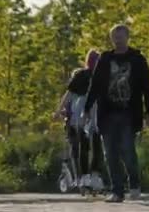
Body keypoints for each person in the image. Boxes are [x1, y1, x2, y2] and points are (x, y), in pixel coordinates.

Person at [83, 24, 149, 203]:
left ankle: (135, 184)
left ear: (127, 37)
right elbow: (96, 84)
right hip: (107, 113)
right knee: (110, 153)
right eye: (115, 36)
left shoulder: (137, 59)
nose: (118, 39)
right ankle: (117, 191)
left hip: (129, 113)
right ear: (111, 39)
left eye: (121, 36)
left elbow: (147, 86)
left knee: (127, 151)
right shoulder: (105, 59)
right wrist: (86, 108)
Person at [53, 49, 104, 191]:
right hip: (83, 111)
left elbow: (68, 94)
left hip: (93, 112)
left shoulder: (101, 76)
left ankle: (92, 175)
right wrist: (59, 110)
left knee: (93, 144)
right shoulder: (82, 75)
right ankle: (87, 176)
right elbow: (69, 94)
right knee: (86, 144)